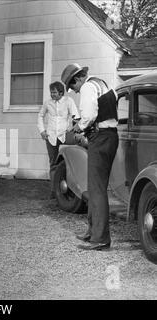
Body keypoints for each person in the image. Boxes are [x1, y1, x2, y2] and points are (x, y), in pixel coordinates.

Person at [61, 63, 119, 251]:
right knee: (95, 187)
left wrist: (78, 128)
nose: (74, 91)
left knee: (97, 189)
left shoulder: (87, 87)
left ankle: (100, 238)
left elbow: (89, 115)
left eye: (73, 86)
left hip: (100, 138)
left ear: (78, 79)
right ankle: (93, 231)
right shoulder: (103, 83)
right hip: (110, 136)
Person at [37, 81, 79, 198]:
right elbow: (40, 116)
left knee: (69, 161)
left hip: (64, 136)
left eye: (54, 92)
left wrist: (72, 129)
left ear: (61, 92)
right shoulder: (48, 103)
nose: (52, 95)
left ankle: (71, 188)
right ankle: (54, 190)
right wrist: (42, 131)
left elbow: (75, 116)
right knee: (53, 163)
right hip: (51, 137)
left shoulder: (68, 101)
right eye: (51, 92)